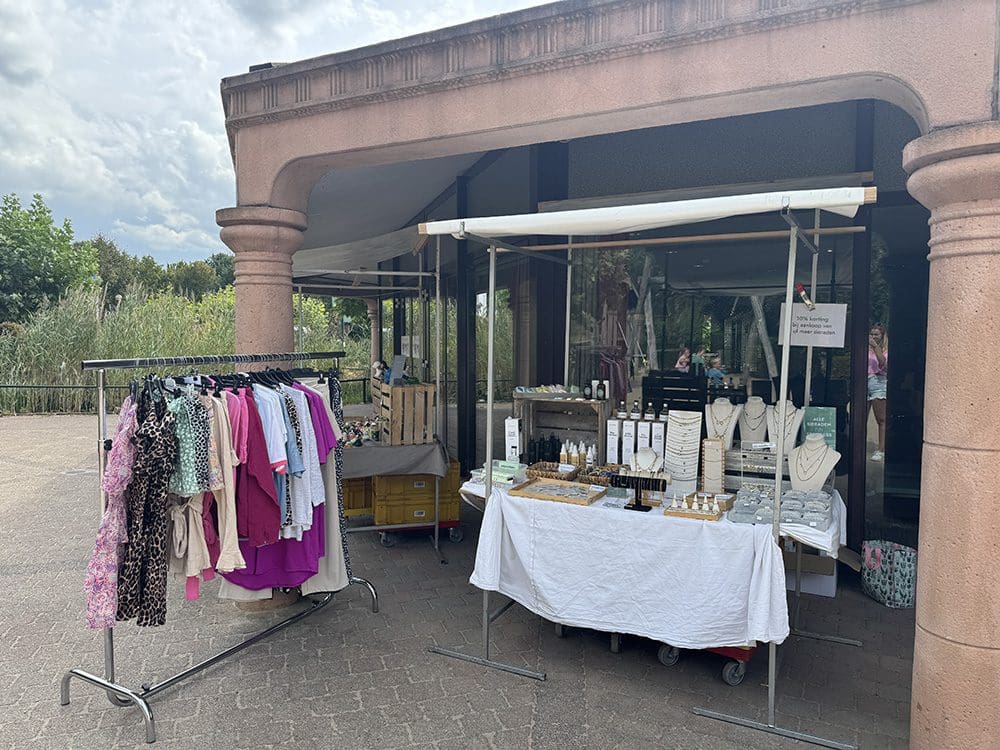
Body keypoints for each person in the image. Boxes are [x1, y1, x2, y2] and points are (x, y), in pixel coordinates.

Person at [867, 323, 888, 461]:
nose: (874, 336)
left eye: (877, 334)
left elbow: (882, 363)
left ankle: (881, 450)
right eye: (872, 334)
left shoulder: (885, 350)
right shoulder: (865, 349)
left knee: (880, 419)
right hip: (864, 381)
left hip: (878, 382)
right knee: (860, 418)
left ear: (882, 336)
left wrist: (875, 347)